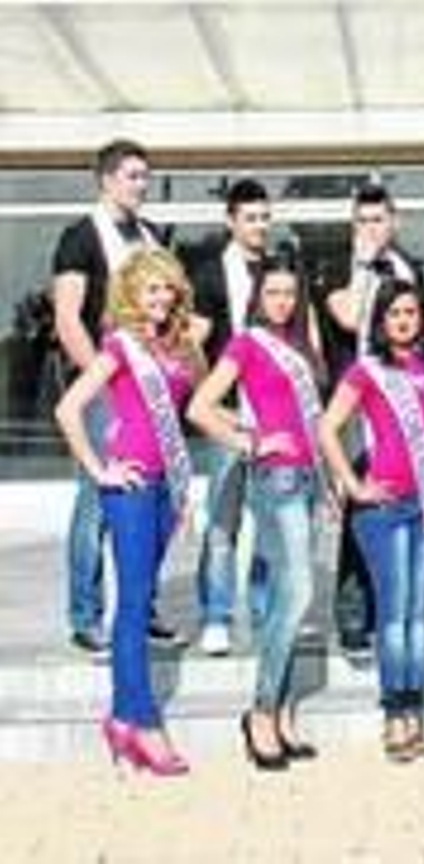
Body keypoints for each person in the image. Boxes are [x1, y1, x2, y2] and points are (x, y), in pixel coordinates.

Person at [55, 247, 203, 776]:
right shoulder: (119, 347)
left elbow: (193, 414)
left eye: (167, 288)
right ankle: (143, 723)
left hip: (166, 487)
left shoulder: (180, 348)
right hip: (132, 487)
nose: (160, 298)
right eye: (150, 289)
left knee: (142, 598)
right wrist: (100, 472)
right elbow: (68, 409)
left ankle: (120, 719)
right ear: (131, 294)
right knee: (135, 604)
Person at [187, 255, 325, 769]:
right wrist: (251, 440)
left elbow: (312, 420)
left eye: (290, 293)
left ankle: (283, 709)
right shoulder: (246, 343)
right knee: (300, 590)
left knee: (285, 598)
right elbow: (200, 407)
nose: (283, 302)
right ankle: (261, 711)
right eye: (273, 294)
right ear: (257, 297)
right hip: (275, 480)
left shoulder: (301, 349)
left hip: (307, 479)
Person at [52, 138, 185, 655]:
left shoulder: (152, 236)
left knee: (151, 506)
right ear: (106, 180)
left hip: (149, 388)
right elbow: (68, 317)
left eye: (145, 176)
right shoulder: (81, 236)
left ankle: (141, 607)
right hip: (106, 380)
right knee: (96, 500)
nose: (142, 184)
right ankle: (85, 616)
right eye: (132, 176)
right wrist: (107, 379)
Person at [318, 278, 424, 762]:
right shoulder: (366, 370)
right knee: (393, 615)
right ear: (380, 320)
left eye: (412, 312)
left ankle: (415, 710)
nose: (404, 320)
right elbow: (327, 427)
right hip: (381, 507)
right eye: (395, 313)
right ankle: (394, 715)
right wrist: (353, 486)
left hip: (423, 503)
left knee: (418, 617)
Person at [320, 183, 424, 661]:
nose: (371, 229)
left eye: (379, 220)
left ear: (394, 222)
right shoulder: (336, 267)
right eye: (362, 222)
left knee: (400, 506)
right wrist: (362, 266)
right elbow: (347, 317)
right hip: (357, 403)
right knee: (359, 508)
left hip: (403, 402)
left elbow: (416, 331)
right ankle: (351, 616)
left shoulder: (408, 268)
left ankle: (391, 609)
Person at [190, 178, 274, 656]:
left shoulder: (281, 268)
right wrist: (213, 397)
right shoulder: (210, 274)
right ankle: (217, 615)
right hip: (230, 418)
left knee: (269, 522)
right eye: (250, 218)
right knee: (223, 521)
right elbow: (193, 341)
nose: (259, 226)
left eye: (265, 217)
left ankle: (263, 612)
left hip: (274, 416)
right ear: (231, 221)